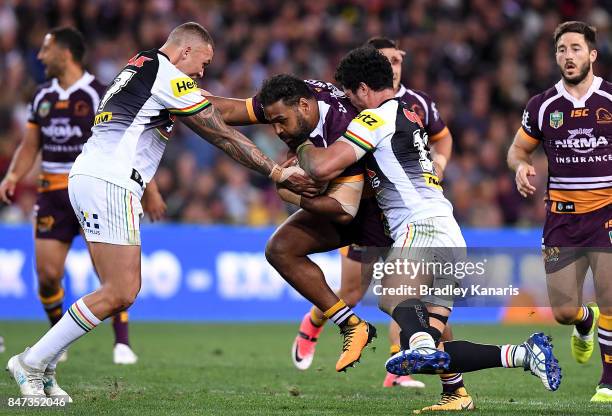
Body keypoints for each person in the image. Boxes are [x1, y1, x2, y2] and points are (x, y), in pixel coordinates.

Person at [6, 22, 317, 400]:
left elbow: (215, 107)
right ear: (184, 52)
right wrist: (274, 170)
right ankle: (31, 362)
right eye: (202, 63)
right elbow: (217, 131)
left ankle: (45, 365)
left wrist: (268, 111)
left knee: (116, 290)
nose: (202, 72)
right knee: (122, 290)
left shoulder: (145, 67)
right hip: (111, 181)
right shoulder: (166, 74)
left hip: (93, 176)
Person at [297, 46, 562, 412]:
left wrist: (301, 145)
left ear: (361, 88)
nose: (348, 104)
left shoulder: (374, 119)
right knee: (436, 345)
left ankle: (418, 345)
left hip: (419, 225)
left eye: (349, 95)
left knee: (391, 294)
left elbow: (324, 167)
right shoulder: (408, 112)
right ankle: (521, 355)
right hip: (448, 231)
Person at [0, 27, 158, 370]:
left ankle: (122, 343)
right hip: (53, 192)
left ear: (66, 52)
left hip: (95, 189)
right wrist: (14, 174)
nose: (40, 57)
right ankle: (57, 338)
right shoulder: (41, 95)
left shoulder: (100, 94)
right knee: (46, 274)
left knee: (112, 276)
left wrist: (151, 190)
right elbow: (31, 145)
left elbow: (132, 146)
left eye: (46, 49)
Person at [507, 21, 612, 402]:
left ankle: (608, 382)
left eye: (576, 49)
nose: (568, 56)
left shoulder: (610, 101)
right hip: (562, 217)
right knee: (564, 311)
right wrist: (520, 165)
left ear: (592, 54)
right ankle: (585, 321)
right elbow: (518, 150)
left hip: (606, 211)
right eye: (562, 50)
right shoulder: (542, 105)